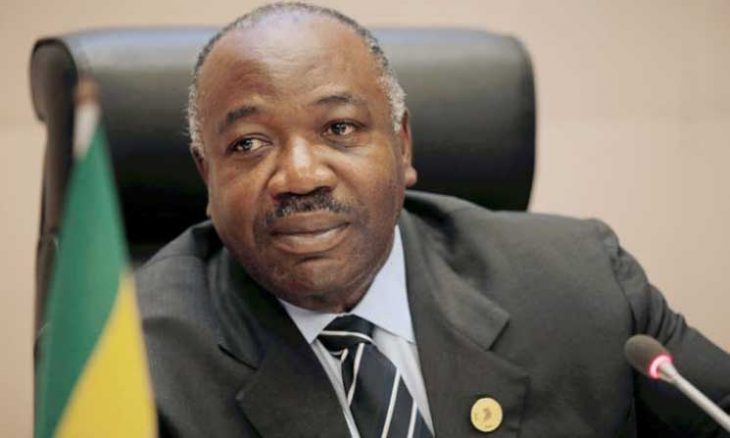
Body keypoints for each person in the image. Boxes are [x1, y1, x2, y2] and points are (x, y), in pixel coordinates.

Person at [136, 3, 730, 437]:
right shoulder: (133, 367)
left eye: (339, 128)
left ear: (402, 146)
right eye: (248, 144)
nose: (300, 175)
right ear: (207, 175)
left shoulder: (584, 283)